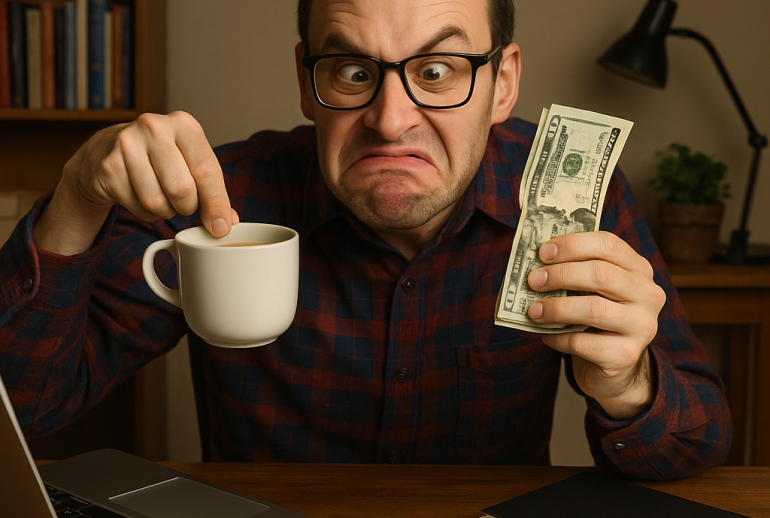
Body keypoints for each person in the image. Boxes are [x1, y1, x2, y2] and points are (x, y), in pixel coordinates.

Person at [0, 0, 730, 479]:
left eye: (437, 71)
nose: (389, 119)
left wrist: (628, 386)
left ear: (503, 84)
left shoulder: (576, 200)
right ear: (305, 77)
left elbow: (699, 442)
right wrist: (74, 201)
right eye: (353, 71)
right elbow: (24, 412)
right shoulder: (218, 197)